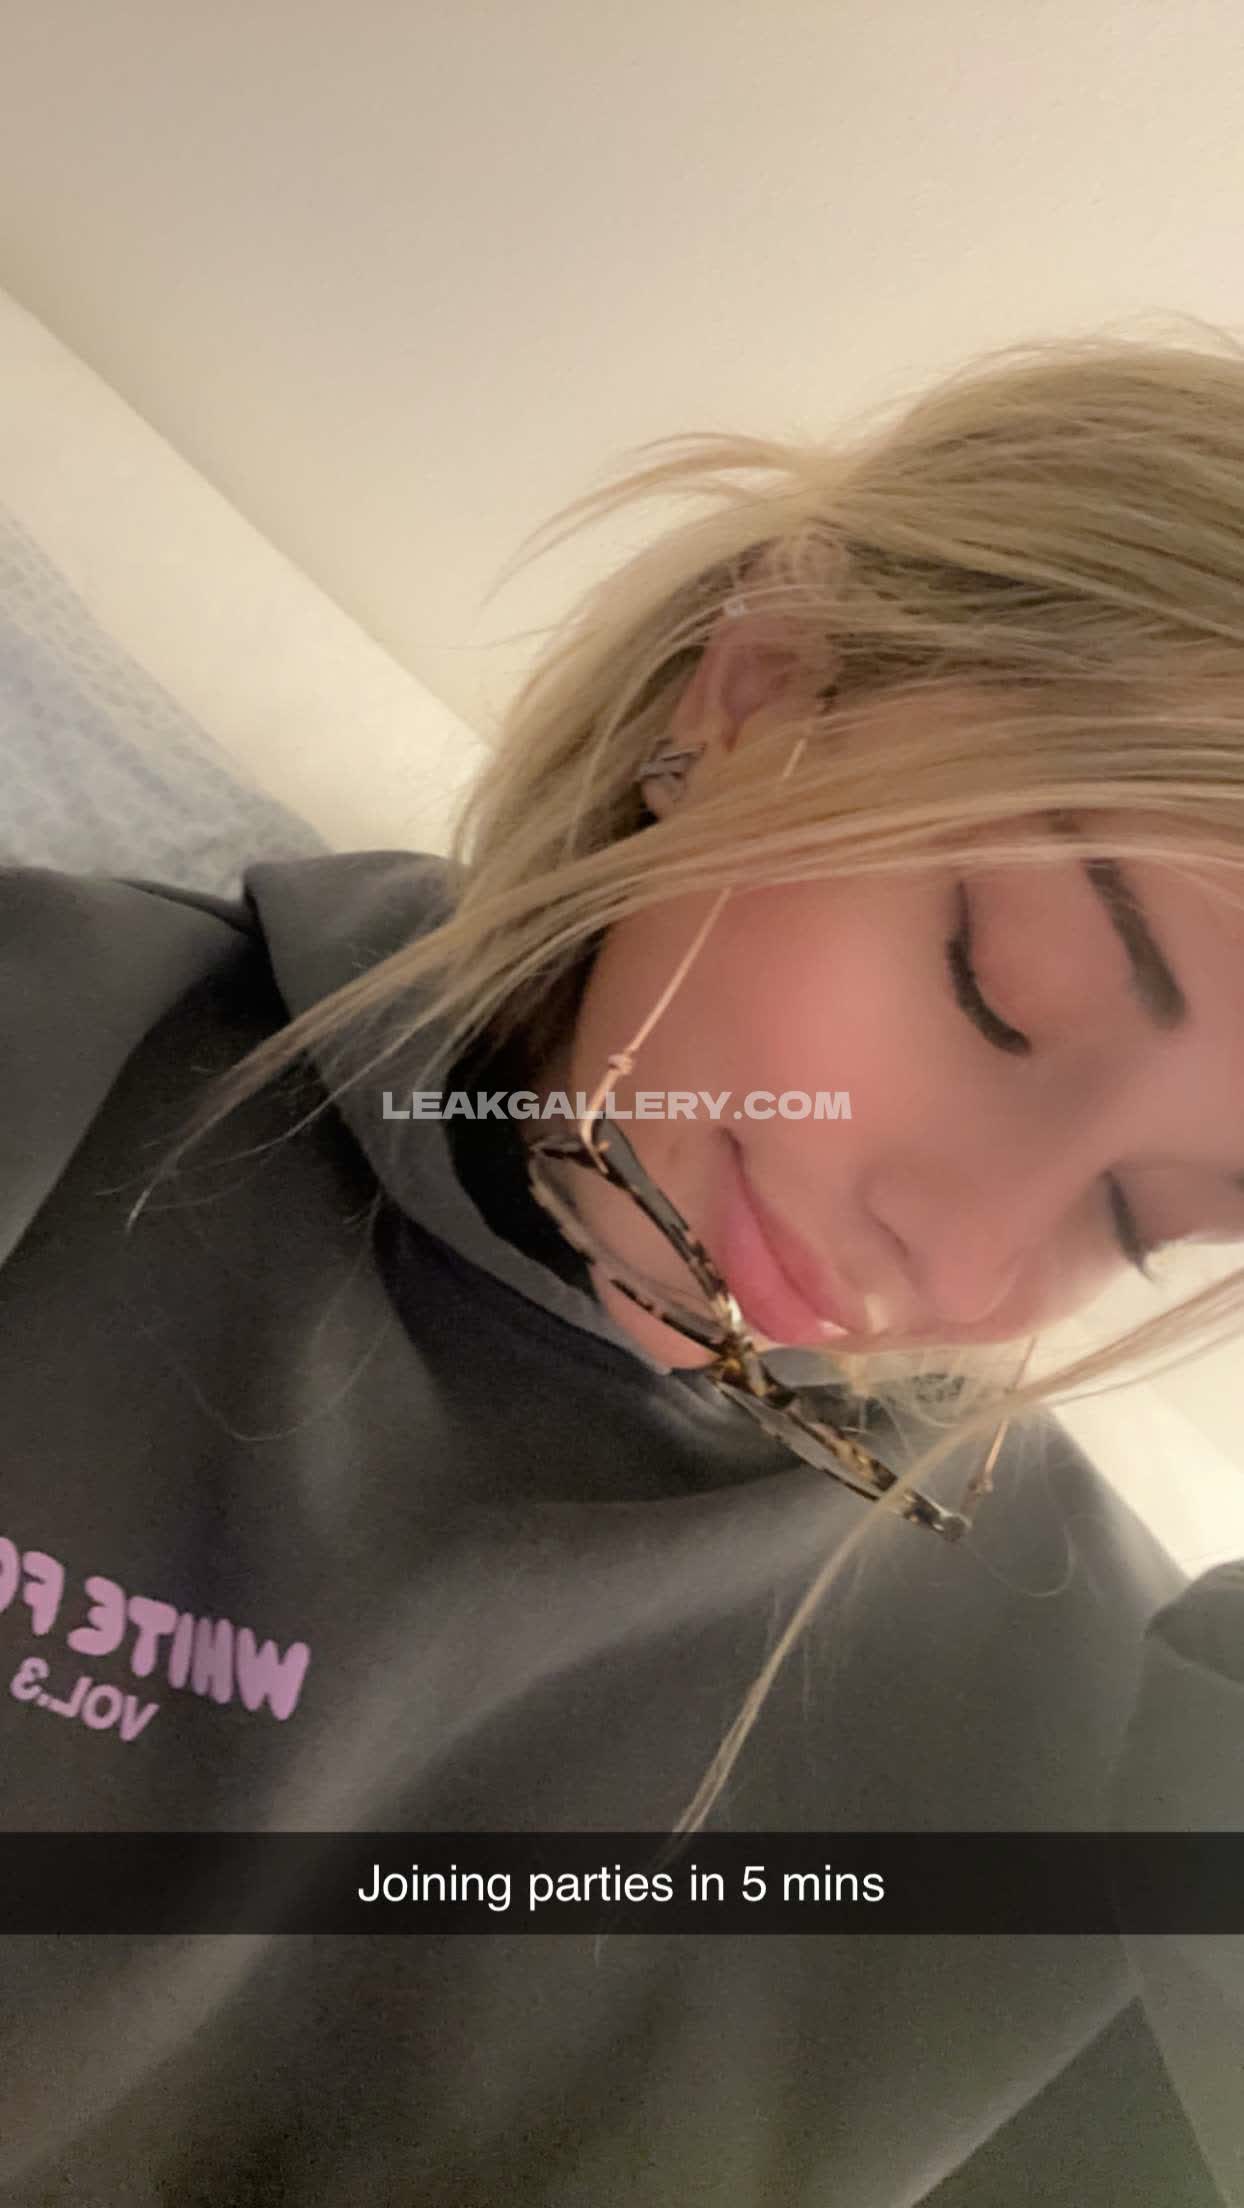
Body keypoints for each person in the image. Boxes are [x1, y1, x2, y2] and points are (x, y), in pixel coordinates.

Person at [1, 327, 1242, 2204]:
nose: (972, 1249)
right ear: (760, 689)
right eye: (1000, 990)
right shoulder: (63, 1045)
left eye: (1148, 1222)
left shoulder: (1094, 1754)